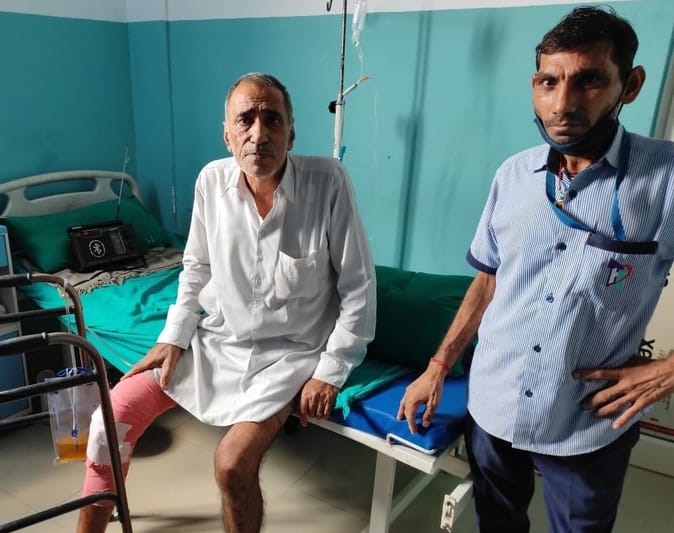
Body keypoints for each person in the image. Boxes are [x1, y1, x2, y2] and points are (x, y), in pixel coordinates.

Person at [397, 6, 674, 532]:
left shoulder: (665, 179)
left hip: (586, 423)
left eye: (589, 81)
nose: (563, 103)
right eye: (550, 82)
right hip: (493, 407)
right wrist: (438, 366)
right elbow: (487, 281)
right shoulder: (513, 175)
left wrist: (668, 370)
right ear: (535, 85)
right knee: (498, 523)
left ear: (631, 84)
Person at [76, 72, 376, 533]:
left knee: (232, 465)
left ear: (291, 134)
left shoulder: (328, 183)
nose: (259, 133)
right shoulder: (211, 182)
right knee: (108, 422)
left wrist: (329, 372)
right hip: (217, 341)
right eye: (245, 119)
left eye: (272, 119)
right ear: (227, 134)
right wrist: (173, 336)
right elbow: (196, 266)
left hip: (289, 354)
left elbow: (358, 287)